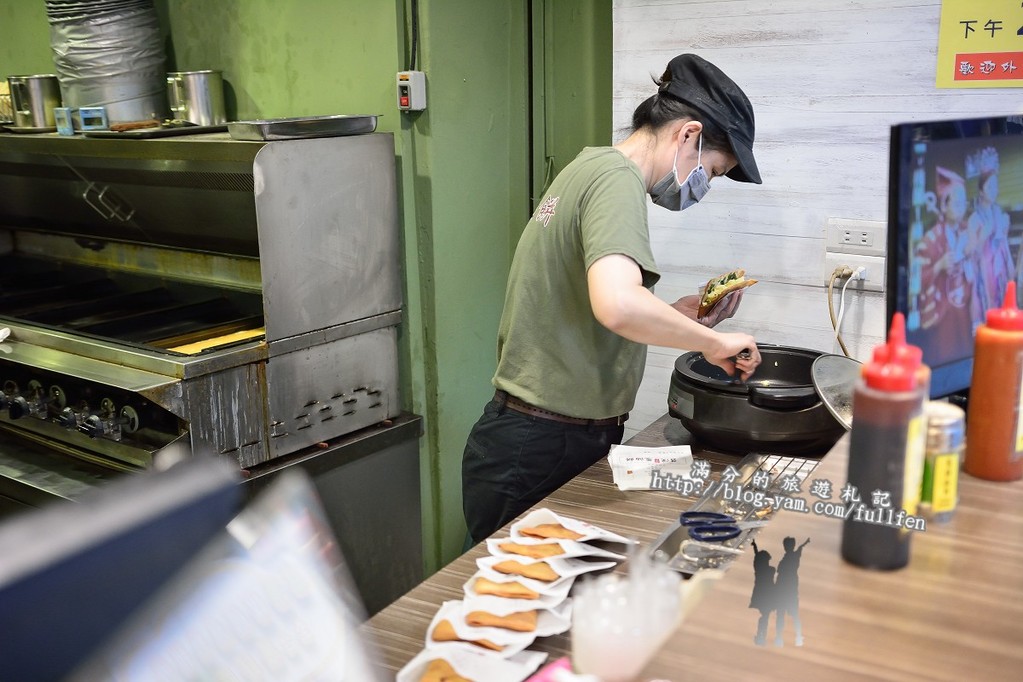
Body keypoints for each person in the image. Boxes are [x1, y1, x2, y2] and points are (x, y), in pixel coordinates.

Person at [461, 53, 764, 544]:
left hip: (540, 436)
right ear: (688, 135)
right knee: (504, 604)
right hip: (540, 443)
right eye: (712, 169)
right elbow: (618, 304)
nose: (703, 186)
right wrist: (713, 345)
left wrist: (672, 316)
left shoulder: (590, 166)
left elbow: (594, 306)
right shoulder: (615, 180)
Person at [914, 166, 978, 362]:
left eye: (963, 202)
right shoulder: (930, 240)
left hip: (966, 309)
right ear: (944, 205)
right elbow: (917, 279)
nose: (961, 206)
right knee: (945, 357)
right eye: (956, 202)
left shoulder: (968, 233)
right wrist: (939, 266)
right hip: (943, 314)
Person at [968, 147, 1013, 319]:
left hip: (1000, 268)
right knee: (987, 309)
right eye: (989, 186)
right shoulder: (974, 219)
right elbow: (972, 254)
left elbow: (1003, 243)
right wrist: (983, 235)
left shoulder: (999, 213)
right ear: (981, 191)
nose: (994, 189)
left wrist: (1009, 264)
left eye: (996, 185)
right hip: (984, 270)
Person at [774, 536, 809, 647]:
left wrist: (805, 543)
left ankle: (788, 637)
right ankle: (789, 637)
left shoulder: (792, 556)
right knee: (790, 614)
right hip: (787, 588)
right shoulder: (792, 555)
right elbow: (800, 547)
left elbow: (800, 547)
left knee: (786, 614)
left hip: (787, 588)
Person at [749, 539, 777, 646]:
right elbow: (757, 557)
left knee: (764, 615)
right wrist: (755, 547)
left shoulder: (759, 569)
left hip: (763, 591)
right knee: (765, 615)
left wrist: (755, 547)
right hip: (768, 592)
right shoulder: (770, 569)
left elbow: (757, 557)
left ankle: (761, 635)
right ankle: (762, 635)